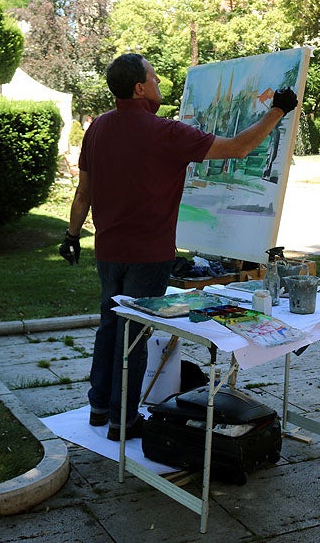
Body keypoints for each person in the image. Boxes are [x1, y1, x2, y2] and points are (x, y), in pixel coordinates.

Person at [59, 53, 298, 440]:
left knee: (110, 326)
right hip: (149, 254)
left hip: (108, 251)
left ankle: (99, 408)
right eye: (152, 77)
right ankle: (124, 421)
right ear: (139, 87)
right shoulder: (165, 132)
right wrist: (277, 112)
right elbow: (238, 148)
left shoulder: (98, 128)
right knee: (132, 334)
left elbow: (83, 191)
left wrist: (71, 236)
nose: (158, 82)